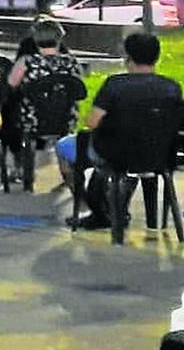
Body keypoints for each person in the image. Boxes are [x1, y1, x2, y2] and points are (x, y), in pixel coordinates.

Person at [57, 32, 182, 229]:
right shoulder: (172, 88)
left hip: (117, 155)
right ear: (156, 57)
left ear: (128, 57)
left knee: (66, 147)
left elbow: (92, 122)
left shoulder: (115, 85)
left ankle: (98, 209)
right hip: (159, 156)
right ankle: (122, 209)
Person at [5, 20, 81, 167]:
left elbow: (11, 83)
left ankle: (24, 169)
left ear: (35, 39)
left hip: (33, 118)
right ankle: (66, 167)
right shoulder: (71, 62)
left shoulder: (26, 61)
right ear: (60, 38)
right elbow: (78, 86)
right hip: (65, 117)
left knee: (13, 109)